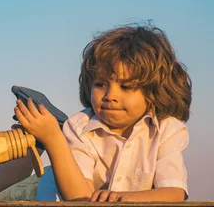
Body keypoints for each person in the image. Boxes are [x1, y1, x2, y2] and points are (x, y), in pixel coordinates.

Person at [14, 24, 192, 202]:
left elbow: (174, 193)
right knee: (17, 150)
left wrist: (122, 199)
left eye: (126, 86)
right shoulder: (79, 127)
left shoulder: (167, 130)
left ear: (154, 92)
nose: (110, 95)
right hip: (41, 191)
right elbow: (78, 197)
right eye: (100, 84)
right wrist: (53, 139)